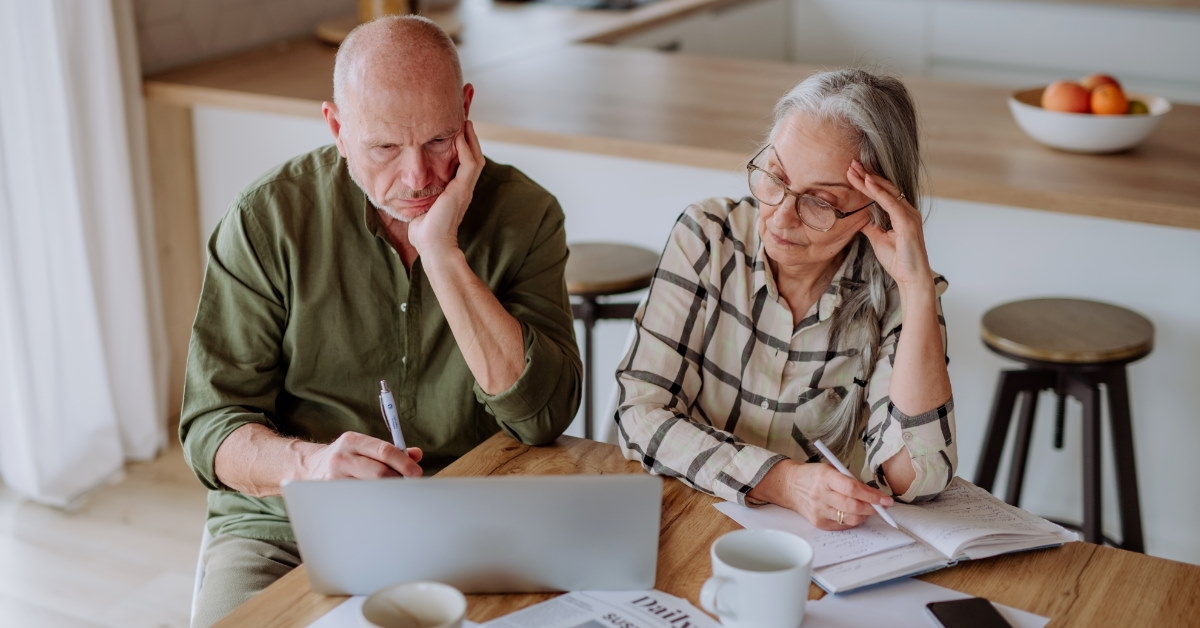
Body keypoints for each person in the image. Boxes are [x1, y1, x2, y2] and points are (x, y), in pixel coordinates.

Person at [179, 16, 581, 627]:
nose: (418, 178)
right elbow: (211, 429)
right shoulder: (268, 221)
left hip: (465, 517)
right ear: (337, 128)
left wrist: (443, 254)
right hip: (288, 531)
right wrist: (309, 467)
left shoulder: (527, 216)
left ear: (467, 111)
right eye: (385, 147)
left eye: (440, 141)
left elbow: (542, 416)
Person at [614, 69, 956, 532]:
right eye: (774, 177)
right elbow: (639, 414)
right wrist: (782, 482)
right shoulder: (709, 238)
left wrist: (916, 290)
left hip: (821, 546)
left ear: (873, 210)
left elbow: (916, 480)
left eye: (820, 202)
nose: (780, 215)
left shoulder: (901, 289)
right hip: (684, 512)